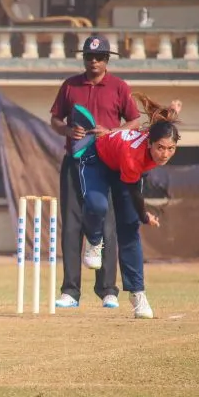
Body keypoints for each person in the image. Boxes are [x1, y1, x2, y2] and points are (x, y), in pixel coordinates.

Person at [49, 34, 142, 310]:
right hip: (75, 162)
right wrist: (66, 130)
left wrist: (112, 132)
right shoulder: (70, 86)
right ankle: (70, 291)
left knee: (107, 223)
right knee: (72, 223)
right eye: (89, 57)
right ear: (84, 59)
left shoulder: (118, 87)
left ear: (107, 60)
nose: (94, 62)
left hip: (106, 161)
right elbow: (55, 118)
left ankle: (107, 290)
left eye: (99, 57)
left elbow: (135, 120)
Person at [78, 93, 182, 319]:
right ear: (149, 142)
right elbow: (134, 192)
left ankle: (137, 294)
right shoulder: (134, 156)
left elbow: (162, 124)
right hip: (98, 160)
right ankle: (94, 241)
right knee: (98, 205)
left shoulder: (154, 134)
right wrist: (145, 216)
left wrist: (173, 112)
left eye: (171, 148)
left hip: (122, 169)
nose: (164, 155)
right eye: (160, 148)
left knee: (129, 228)